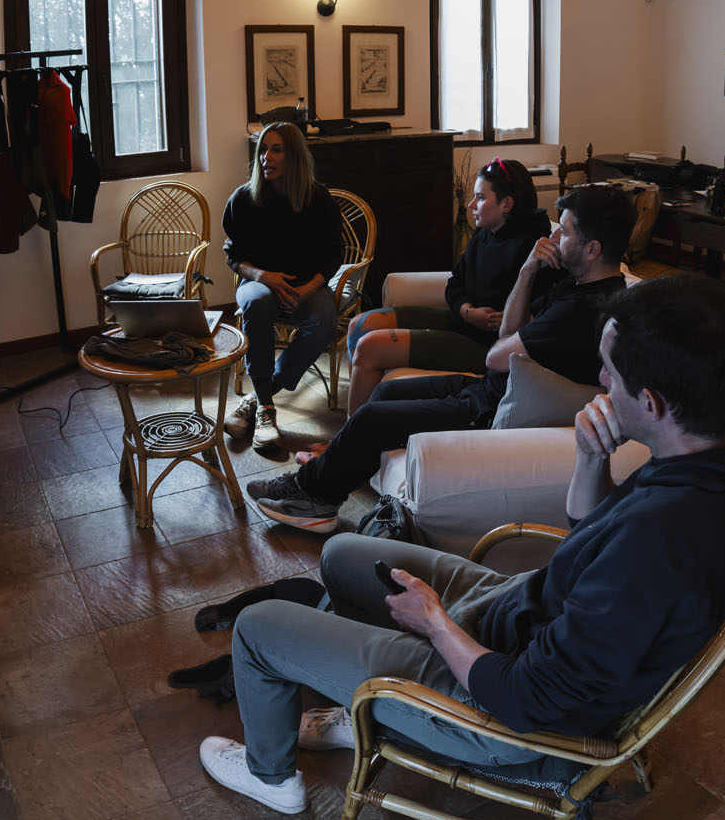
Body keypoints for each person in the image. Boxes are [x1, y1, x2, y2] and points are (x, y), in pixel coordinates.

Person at [196, 271, 725, 815]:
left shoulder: (662, 543)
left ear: (654, 403)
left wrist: (435, 624)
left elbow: (526, 697)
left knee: (258, 627)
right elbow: (595, 536)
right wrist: (591, 458)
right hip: (520, 615)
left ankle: (272, 777)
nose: (599, 380)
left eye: (610, 371)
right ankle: (366, 708)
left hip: (497, 712)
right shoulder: (720, 456)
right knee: (344, 555)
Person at [245, 183, 634, 529]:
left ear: (593, 249)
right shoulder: (577, 285)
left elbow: (496, 356)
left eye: (563, 231)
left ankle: (314, 499)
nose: (553, 237)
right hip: (492, 389)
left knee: (372, 417)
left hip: (490, 410)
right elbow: (507, 334)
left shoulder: (581, 310)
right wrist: (527, 271)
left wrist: (514, 326)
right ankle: (321, 479)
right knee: (387, 393)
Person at [339, 157, 549, 412]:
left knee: (369, 347)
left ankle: (355, 430)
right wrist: (467, 312)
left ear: (506, 204)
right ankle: (362, 415)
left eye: (480, 198)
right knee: (359, 324)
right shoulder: (485, 232)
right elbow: (455, 282)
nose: (471, 204)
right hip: (462, 320)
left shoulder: (534, 249)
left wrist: (496, 319)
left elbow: (538, 314)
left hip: (485, 344)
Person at [222, 122, 343, 450]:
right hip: (259, 282)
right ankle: (266, 412)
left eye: (276, 150)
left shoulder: (317, 199)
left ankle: (257, 397)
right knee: (257, 302)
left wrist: (307, 290)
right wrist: (264, 277)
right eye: (263, 149)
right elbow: (233, 255)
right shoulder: (243, 199)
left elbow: (335, 254)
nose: (266, 157)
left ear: (295, 156)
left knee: (324, 321)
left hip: (307, 285)